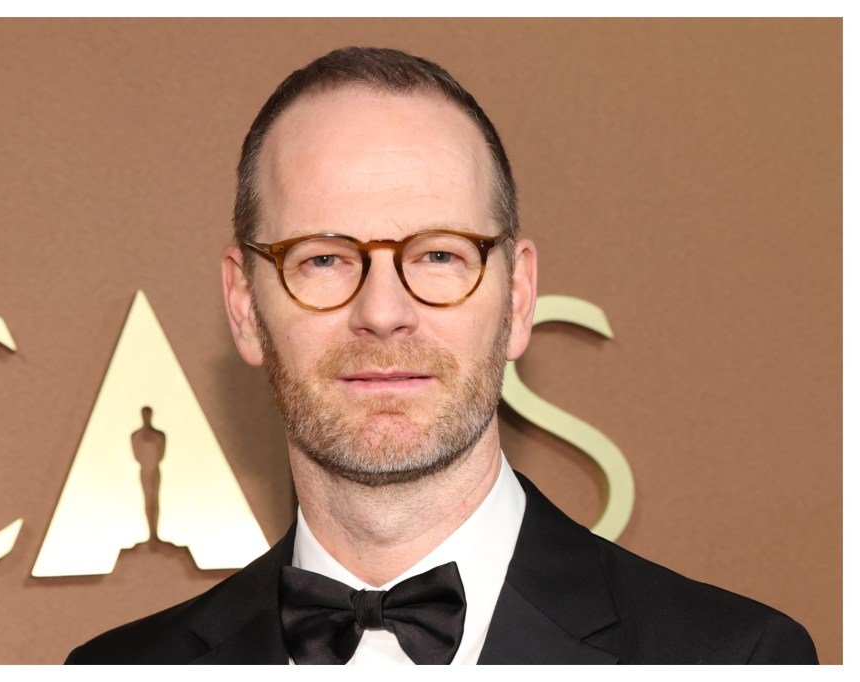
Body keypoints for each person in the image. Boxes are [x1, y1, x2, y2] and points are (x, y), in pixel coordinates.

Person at [65, 46, 818, 665]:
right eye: (323, 259)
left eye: (437, 256)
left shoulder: (736, 659)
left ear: (517, 296)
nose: (383, 313)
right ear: (243, 304)